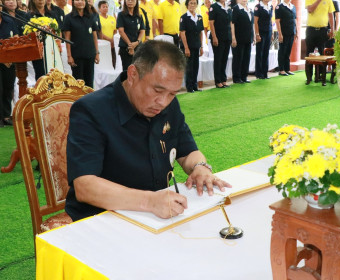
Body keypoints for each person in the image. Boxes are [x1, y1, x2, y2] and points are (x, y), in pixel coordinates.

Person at [65, 40, 231, 221]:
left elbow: (187, 151)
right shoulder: (91, 110)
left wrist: (200, 167)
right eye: (157, 90)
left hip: (157, 217)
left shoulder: (168, 106)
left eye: (172, 94)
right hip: (101, 219)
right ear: (133, 74)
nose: (163, 102)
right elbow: (85, 186)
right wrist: (150, 202)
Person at [63, 0, 100, 88]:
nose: (80, 2)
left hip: (90, 55)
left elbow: (94, 36)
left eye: (82, 0)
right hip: (77, 56)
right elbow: (67, 38)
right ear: (73, 2)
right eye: (77, 0)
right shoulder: (68, 18)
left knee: (89, 83)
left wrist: (97, 53)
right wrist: (69, 56)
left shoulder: (91, 16)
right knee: (78, 85)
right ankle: (79, 102)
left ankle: (89, 101)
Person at [27, 0, 60, 81]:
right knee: (41, 75)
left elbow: (58, 31)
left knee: (54, 74)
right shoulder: (29, 15)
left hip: (52, 49)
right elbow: (27, 33)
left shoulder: (52, 14)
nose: (40, 1)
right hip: (38, 50)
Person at [304, 0, 335, 85]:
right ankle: (309, 77)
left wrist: (332, 29)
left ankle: (321, 76)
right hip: (311, 30)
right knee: (309, 53)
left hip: (323, 30)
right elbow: (310, 10)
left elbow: (330, 15)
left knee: (322, 53)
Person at [0, 4, 18, 127]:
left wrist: (10, 56)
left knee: (7, 87)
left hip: (9, 61)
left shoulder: (8, 20)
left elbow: (16, 38)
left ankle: (6, 115)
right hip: (2, 59)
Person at [180, 0, 204, 93]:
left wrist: (201, 46)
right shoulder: (184, 18)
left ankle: (195, 86)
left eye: (194, 3)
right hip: (188, 46)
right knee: (189, 67)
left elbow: (200, 33)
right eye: (191, 3)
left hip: (196, 45)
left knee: (195, 66)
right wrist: (186, 47)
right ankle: (189, 87)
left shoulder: (199, 17)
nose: (193, 5)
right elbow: (183, 33)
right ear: (187, 5)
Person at [209, 0, 232, 88]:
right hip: (218, 38)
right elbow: (211, 23)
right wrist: (214, 37)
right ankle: (218, 81)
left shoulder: (227, 7)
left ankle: (223, 79)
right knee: (218, 59)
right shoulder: (214, 7)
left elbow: (230, 22)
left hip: (227, 37)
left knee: (224, 59)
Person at [116, 0, 145, 71]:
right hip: (126, 48)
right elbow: (121, 31)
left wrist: (137, 42)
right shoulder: (121, 15)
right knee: (127, 71)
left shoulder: (139, 15)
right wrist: (130, 46)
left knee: (138, 71)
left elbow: (142, 30)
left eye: (132, 0)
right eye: (128, 0)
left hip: (138, 47)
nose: (130, 2)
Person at [231, 0, 254, 83]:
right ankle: (237, 78)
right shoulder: (235, 9)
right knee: (238, 58)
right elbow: (232, 23)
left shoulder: (249, 9)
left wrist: (253, 36)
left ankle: (244, 76)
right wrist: (233, 37)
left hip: (248, 38)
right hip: (239, 38)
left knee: (246, 58)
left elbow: (252, 24)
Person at [275, 0, 297, 76]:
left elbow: (295, 19)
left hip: (291, 32)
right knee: (282, 51)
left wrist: (296, 31)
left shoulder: (293, 7)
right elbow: (277, 21)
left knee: (288, 51)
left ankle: (287, 69)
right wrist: (280, 34)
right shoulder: (279, 7)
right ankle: (281, 69)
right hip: (284, 33)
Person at [254, 0, 273, 80]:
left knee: (266, 52)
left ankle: (265, 73)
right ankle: (259, 73)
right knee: (260, 52)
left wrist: (271, 33)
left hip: (268, 31)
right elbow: (255, 21)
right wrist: (257, 34)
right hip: (261, 32)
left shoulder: (271, 6)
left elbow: (270, 20)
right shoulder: (258, 7)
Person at [98, 0, 117, 68]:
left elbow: (115, 30)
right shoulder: (97, 18)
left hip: (112, 43)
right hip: (103, 43)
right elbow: (98, 31)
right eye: (103, 7)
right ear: (99, 8)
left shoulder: (112, 18)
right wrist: (108, 39)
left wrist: (113, 39)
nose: (105, 8)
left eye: (106, 7)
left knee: (113, 60)